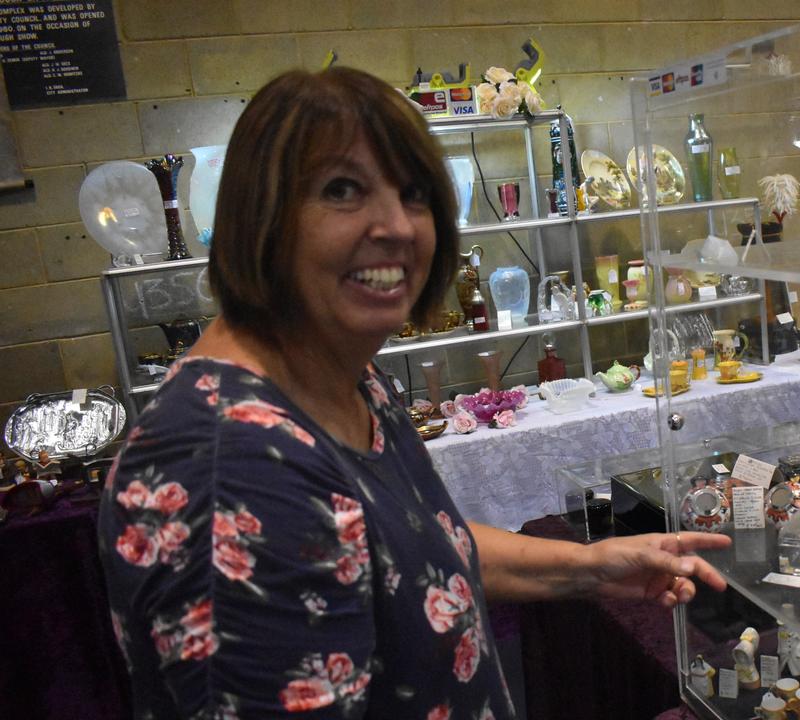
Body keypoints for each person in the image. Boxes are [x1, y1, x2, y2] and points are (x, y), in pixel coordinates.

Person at [98, 67, 730, 720]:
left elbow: (415, 552)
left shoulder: (345, 379)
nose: (397, 225)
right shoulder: (232, 472)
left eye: (416, 193)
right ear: (260, 216)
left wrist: (588, 566)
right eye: (342, 190)